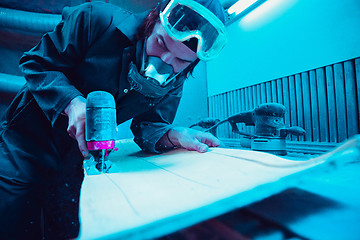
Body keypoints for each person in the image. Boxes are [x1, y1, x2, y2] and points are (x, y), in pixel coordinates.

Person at [0, 0, 228, 238]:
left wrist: (174, 135)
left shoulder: (174, 79)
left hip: (79, 157)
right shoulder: (94, 19)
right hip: (26, 143)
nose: (163, 63)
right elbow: (36, 63)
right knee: (14, 221)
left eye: (181, 61)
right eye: (161, 43)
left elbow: (149, 126)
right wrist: (73, 103)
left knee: (69, 226)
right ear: (152, 19)